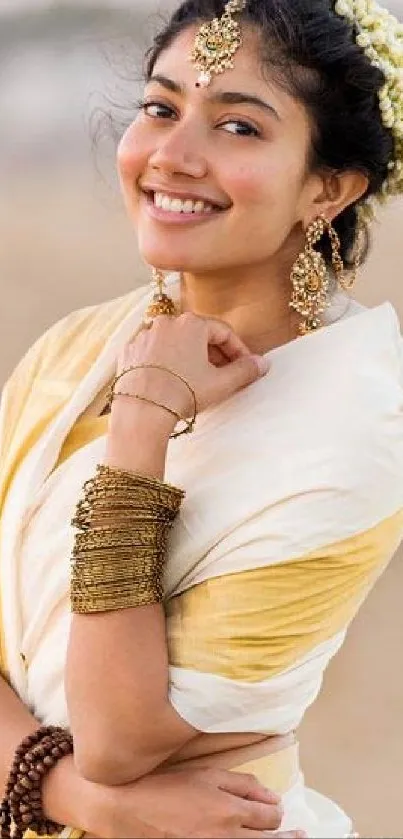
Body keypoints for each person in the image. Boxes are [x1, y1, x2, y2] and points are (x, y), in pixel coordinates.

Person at [1, 0, 403, 836]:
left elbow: (117, 740)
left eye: (239, 128)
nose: (173, 157)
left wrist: (141, 426)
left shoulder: (355, 425)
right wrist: (69, 795)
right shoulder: (80, 346)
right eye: (160, 108)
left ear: (328, 187)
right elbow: (102, 777)